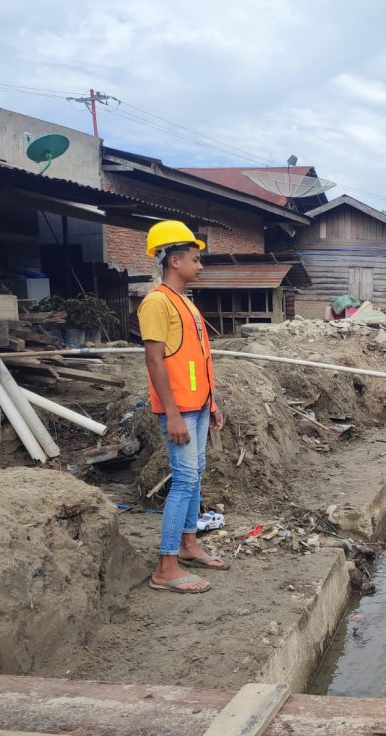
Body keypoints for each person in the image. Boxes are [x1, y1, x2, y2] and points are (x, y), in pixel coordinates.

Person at [137, 220, 227, 594]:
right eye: (195, 258)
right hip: (179, 409)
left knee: (196, 473)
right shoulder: (157, 302)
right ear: (174, 261)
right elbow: (155, 361)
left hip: (197, 405)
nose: (200, 265)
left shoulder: (183, 303)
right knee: (185, 478)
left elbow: (195, 358)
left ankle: (189, 545)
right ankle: (166, 565)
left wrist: (211, 401)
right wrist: (171, 412)